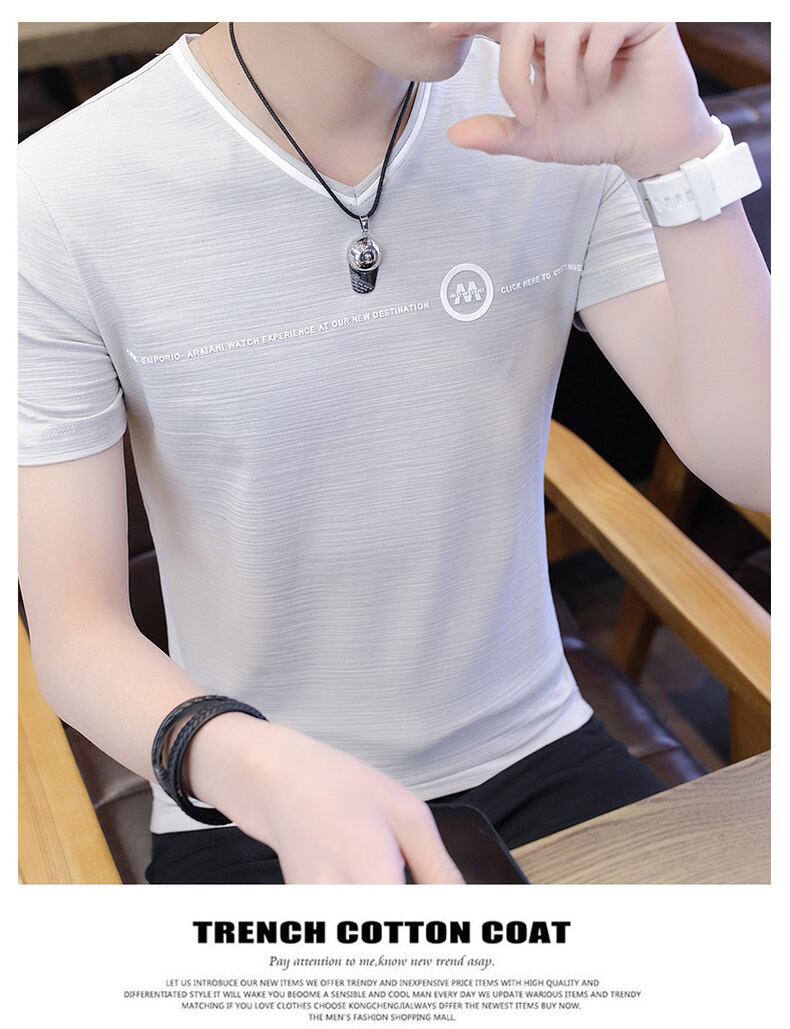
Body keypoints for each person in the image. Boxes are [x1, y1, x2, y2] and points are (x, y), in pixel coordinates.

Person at [17, 22, 770, 885]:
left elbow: (758, 465)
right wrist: (253, 765)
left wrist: (682, 157)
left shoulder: (560, 115)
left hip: (539, 746)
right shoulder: (58, 197)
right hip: (247, 786)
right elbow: (76, 636)